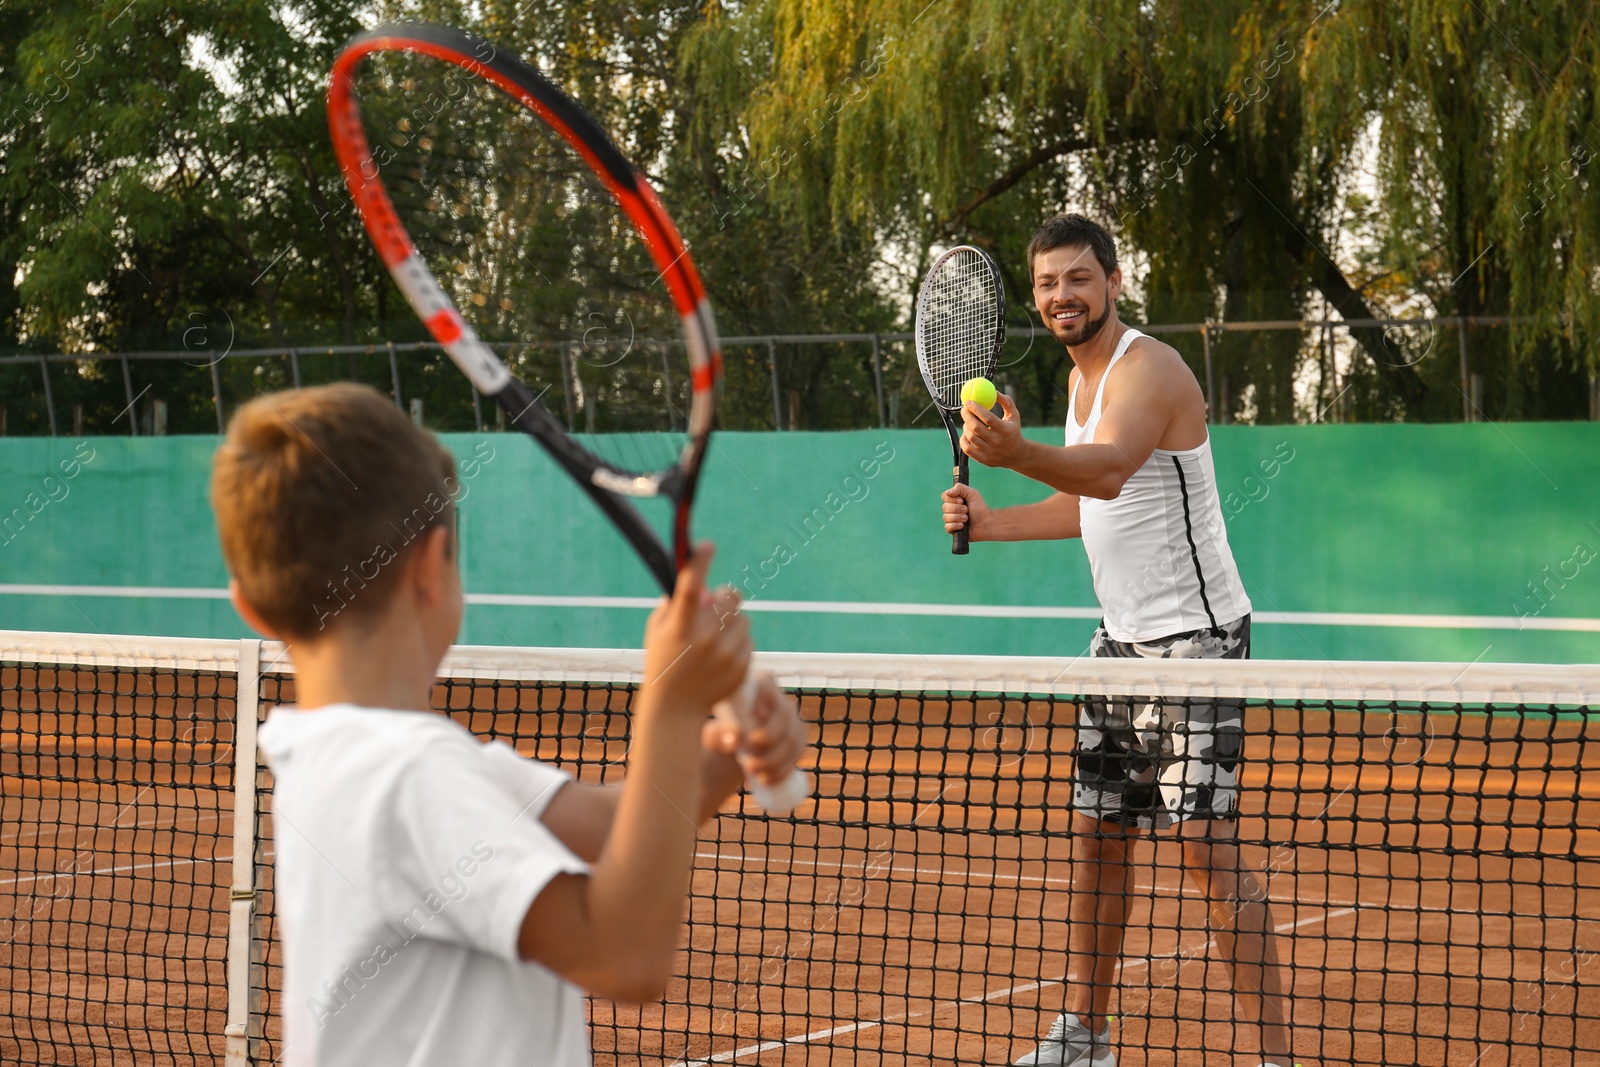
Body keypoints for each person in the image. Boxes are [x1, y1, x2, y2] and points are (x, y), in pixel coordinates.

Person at [212, 382, 806, 1067]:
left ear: (250, 606)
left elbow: (615, 823)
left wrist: (722, 754)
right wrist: (670, 706)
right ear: (433, 567)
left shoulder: (349, 759)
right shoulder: (408, 774)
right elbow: (626, 954)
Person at [940, 215, 1291, 1067]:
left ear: (1113, 280)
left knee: (1206, 848)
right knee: (1098, 839)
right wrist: (992, 524)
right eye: (1049, 283)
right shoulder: (1079, 383)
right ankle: (1085, 1036)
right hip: (1118, 647)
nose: (1064, 294)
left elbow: (1105, 469)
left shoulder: (1151, 369)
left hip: (1197, 646)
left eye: (1078, 278)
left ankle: (1276, 1057)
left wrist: (1016, 452)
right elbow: (1090, 504)